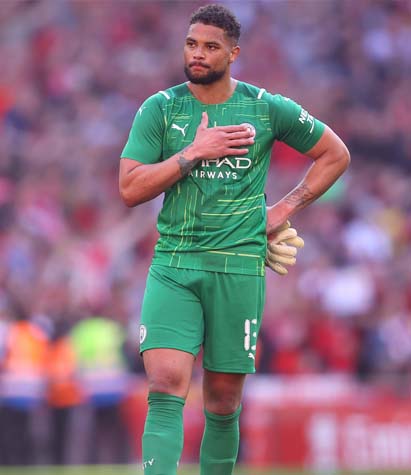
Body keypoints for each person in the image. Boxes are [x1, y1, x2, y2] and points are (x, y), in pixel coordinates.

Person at [119, 4, 350, 475]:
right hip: (175, 264)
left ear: (234, 53)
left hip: (238, 268)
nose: (198, 54)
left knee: (223, 401)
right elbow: (129, 188)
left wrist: (283, 209)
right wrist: (193, 153)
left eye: (210, 47)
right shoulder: (160, 109)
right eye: (191, 44)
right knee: (165, 384)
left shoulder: (264, 107)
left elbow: (334, 153)